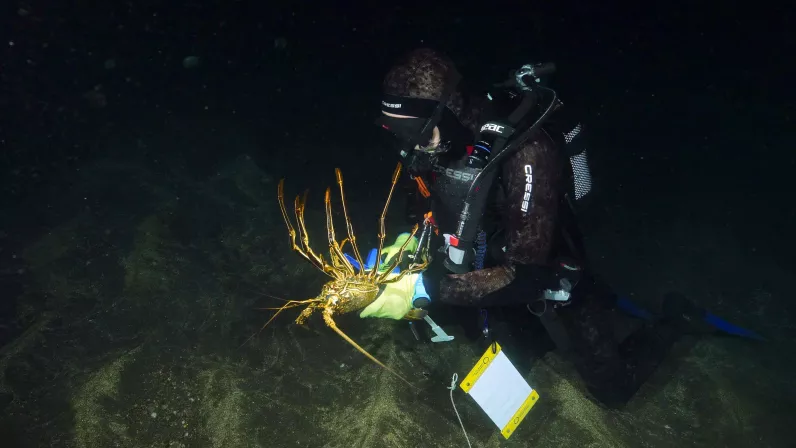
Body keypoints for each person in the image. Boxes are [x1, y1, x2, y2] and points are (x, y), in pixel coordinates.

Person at [357, 48, 728, 407]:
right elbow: (424, 204)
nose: (411, 148)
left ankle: (674, 320)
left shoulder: (527, 152)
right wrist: (408, 243)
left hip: (549, 268)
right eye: (398, 133)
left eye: (419, 133)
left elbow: (529, 275)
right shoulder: (432, 145)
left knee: (612, 391)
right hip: (488, 263)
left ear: (450, 111)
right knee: (501, 341)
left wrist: (426, 286)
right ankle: (535, 338)